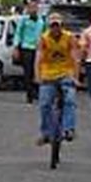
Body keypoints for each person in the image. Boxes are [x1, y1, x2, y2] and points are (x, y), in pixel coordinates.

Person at [35, 12, 80, 146]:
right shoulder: (43, 38)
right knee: (44, 103)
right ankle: (46, 133)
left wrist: (76, 77)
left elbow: (75, 58)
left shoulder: (69, 37)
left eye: (57, 26)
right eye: (52, 26)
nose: (55, 29)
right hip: (48, 74)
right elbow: (38, 58)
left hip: (66, 73)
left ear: (61, 26)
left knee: (70, 100)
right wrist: (37, 76)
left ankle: (68, 129)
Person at [13, 0, 46, 104]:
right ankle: (29, 94)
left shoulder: (41, 20)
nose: (33, 9)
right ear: (27, 9)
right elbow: (18, 33)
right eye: (31, 7)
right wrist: (16, 47)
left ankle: (36, 91)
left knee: (38, 71)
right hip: (27, 47)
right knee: (28, 72)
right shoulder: (24, 20)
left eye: (35, 7)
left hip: (39, 49)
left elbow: (45, 33)